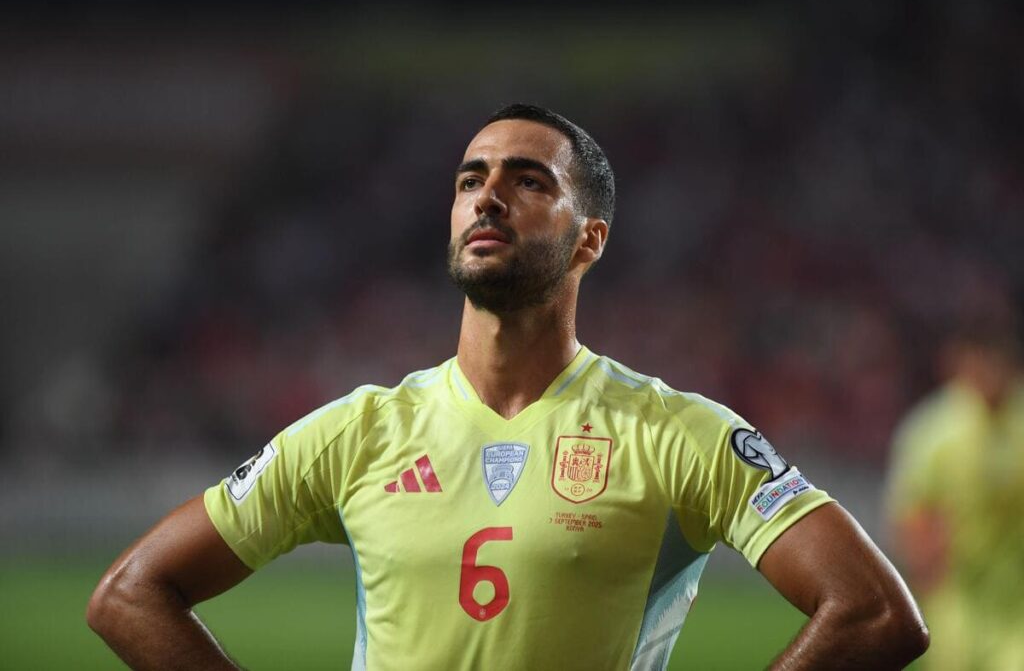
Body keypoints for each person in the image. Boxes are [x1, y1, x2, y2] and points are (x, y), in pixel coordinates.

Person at [88, 103, 927, 670]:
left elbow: (875, 612)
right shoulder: (361, 431)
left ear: (589, 240)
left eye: (528, 181)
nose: (487, 196)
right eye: (470, 179)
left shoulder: (676, 434)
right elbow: (130, 594)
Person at [886, 313, 1024, 670]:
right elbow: (913, 515)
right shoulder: (934, 432)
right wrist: (926, 573)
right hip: (958, 605)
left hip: (1018, 609)